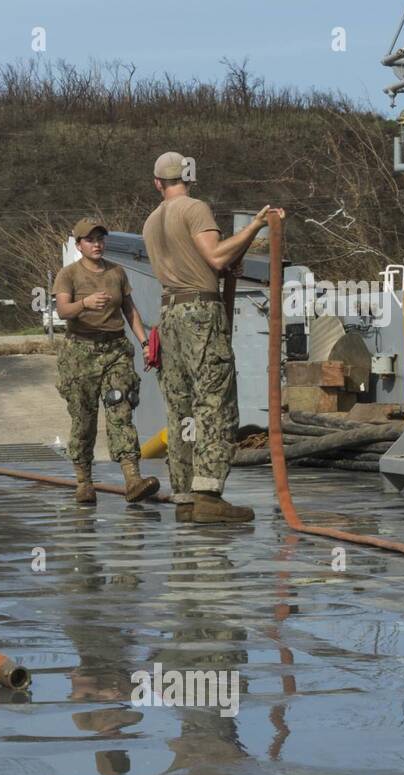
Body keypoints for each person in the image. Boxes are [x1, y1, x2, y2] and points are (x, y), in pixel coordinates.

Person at [141, 151, 284, 524]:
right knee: (215, 404)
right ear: (188, 178)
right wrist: (255, 227)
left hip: (169, 314)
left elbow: (201, 262)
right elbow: (216, 257)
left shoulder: (151, 221)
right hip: (200, 314)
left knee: (181, 409)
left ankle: (186, 496)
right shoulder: (194, 209)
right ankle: (209, 494)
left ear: (157, 183)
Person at [52, 217, 160, 506]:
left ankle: (132, 478)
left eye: (100, 239)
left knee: (121, 409)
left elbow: (130, 311)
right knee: (84, 418)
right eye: (90, 240)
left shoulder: (117, 272)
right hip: (80, 352)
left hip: (115, 349)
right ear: (79, 245)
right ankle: (84, 481)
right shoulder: (69, 275)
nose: (97, 244)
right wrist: (84, 304)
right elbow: (63, 311)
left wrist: (145, 342)